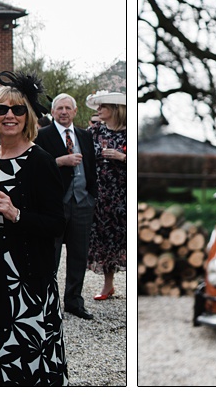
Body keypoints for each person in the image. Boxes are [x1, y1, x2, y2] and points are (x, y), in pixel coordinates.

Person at [0, 73, 69, 385]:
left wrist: (16, 213)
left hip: (27, 280)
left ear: (29, 115)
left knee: (26, 360)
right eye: (1, 109)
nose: (10, 116)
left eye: (18, 110)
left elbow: (58, 223)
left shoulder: (39, 160)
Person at [35, 92, 97, 320]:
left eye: (67, 108)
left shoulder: (85, 135)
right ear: (52, 112)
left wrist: (92, 196)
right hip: (55, 205)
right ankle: (48, 303)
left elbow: (91, 168)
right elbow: (36, 167)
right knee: (51, 256)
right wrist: (60, 161)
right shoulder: (42, 136)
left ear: (74, 111)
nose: (63, 112)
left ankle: (74, 301)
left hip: (83, 203)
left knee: (79, 255)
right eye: (59, 108)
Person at [86, 91, 128, 301]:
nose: (98, 110)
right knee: (105, 238)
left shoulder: (130, 133)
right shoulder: (94, 131)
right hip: (101, 195)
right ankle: (108, 285)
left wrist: (122, 157)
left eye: (102, 107)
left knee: (127, 238)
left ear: (114, 109)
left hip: (124, 196)